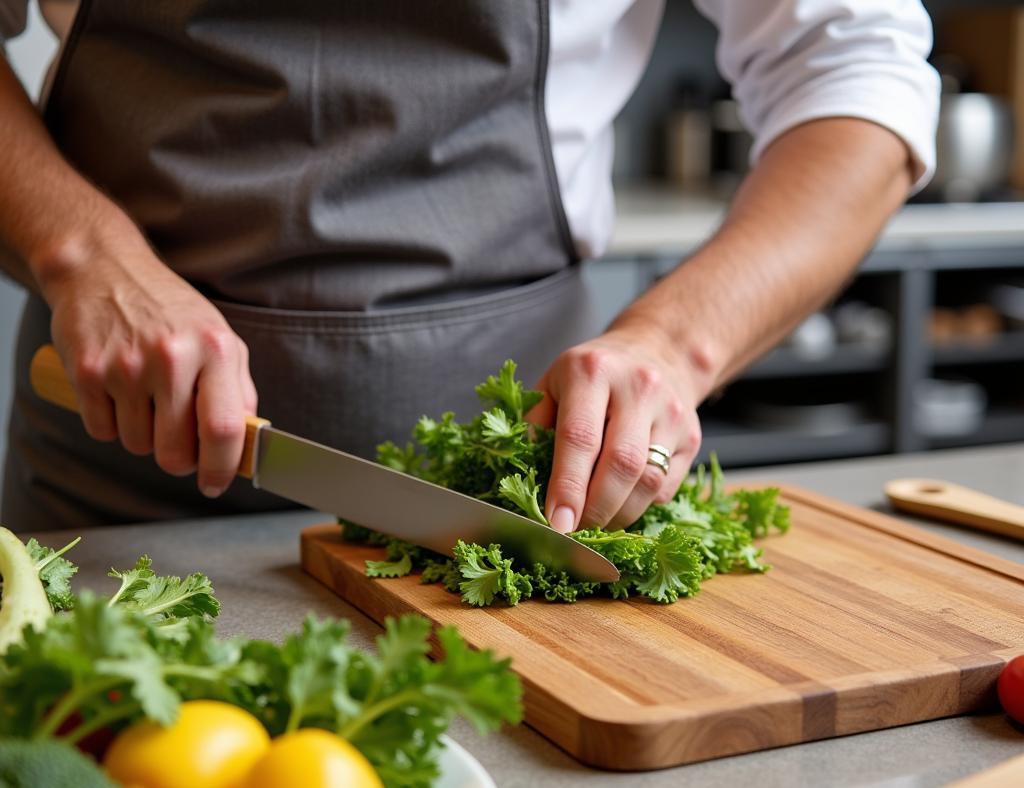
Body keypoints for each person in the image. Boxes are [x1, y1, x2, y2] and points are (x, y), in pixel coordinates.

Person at [0, 1, 938, 534]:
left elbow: (858, 64)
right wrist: (84, 250)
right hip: (113, 477)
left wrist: (677, 344)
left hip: (522, 491)